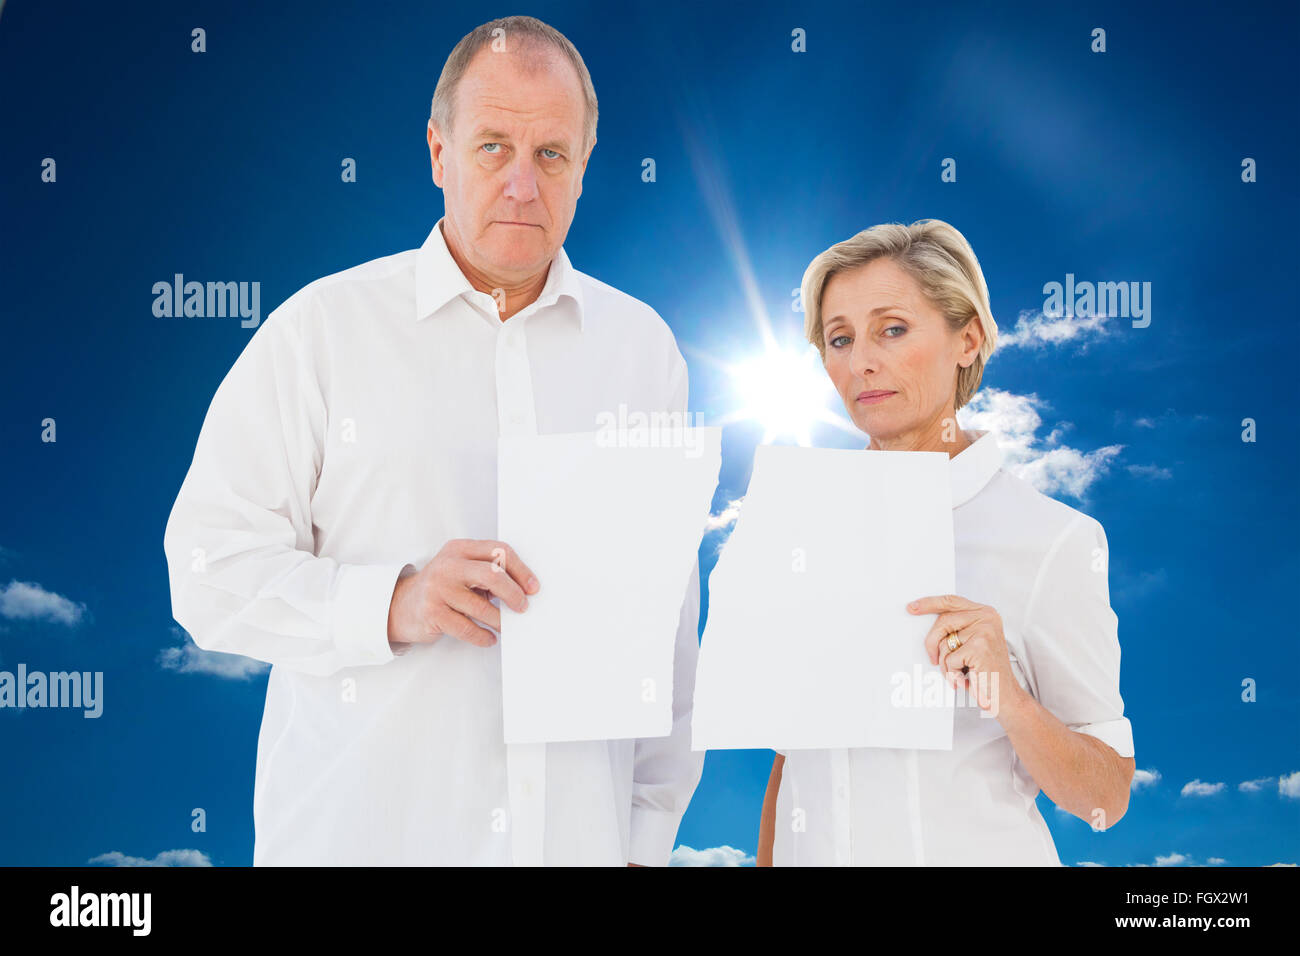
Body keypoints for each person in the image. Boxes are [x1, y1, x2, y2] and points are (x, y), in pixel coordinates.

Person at [163, 15, 703, 866]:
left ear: (585, 168)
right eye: (493, 147)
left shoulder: (644, 353)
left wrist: (643, 836)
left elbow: (669, 621)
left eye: (552, 155)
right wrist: (393, 602)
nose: (523, 185)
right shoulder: (320, 331)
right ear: (438, 152)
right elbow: (206, 568)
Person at [757, 219, 1135, 865]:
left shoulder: (1054, 540)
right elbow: (792, 763)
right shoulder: (802, 533)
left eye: (892, 329)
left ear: (969, 338)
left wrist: (1007, 698)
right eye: (839, 338)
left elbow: (1105, 798)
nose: (861, 361)